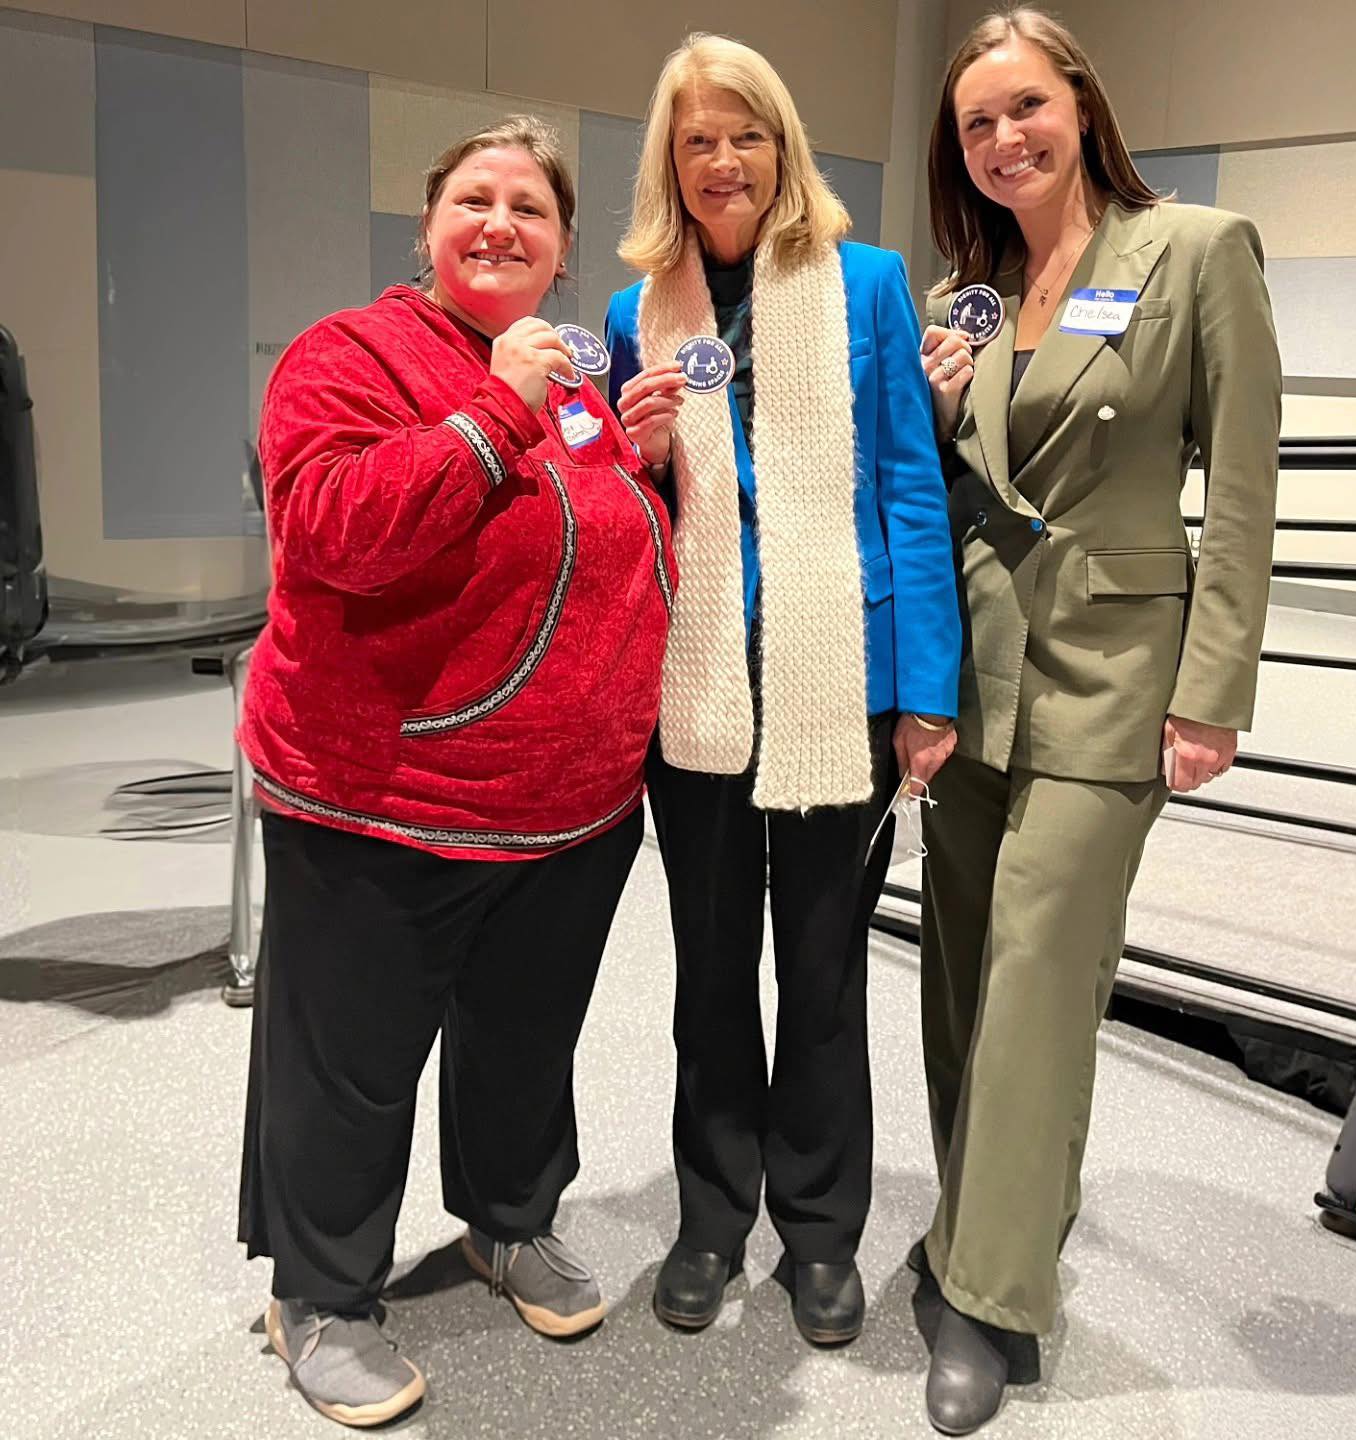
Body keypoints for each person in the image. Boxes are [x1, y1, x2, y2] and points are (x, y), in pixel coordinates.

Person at [237, 117, 675, 1428]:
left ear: (564, 249)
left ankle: (507, 1220)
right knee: (354, 1063)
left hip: (571, 807)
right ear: (427, 227)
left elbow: (596, 538)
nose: (500, 224)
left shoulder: (574, 383)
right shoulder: (350, 354)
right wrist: (497, 410)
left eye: (530, 209)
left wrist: (641, 461)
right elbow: (330, 528)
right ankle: (321, 1294)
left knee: (525, 1043)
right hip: (385, 797)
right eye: (475, 200)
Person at [915, 6, 1281, 1432]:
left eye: (1025, 107)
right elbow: (950, 490)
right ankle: (970, 1220)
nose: (1004, 138)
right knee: (959, 970)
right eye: (976, 123)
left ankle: (989, 1295)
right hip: (975, 673)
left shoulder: (1195, 252)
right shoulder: (972, 295)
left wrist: (1212, 690)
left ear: (1080, 103)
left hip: (1116, 669)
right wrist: (940, 411)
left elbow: (1241, 487)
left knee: (1040, 979)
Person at [606, 34, 962, 1346]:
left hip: (838, 681)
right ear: (671, 159)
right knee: (710, 975)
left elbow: (911, 489)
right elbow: (626, 510)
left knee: (820, 977)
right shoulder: (634, 313)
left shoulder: (867, 285)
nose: (723, 161)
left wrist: (929, 689)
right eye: (697, 139)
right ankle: (711, 1220)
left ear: (783, 146)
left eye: (745, 134)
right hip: (696, 680)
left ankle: (818, 1232)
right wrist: (639, 455)